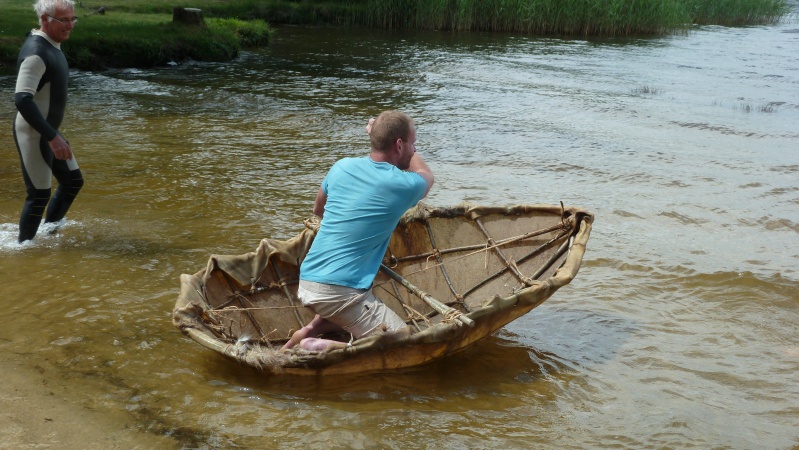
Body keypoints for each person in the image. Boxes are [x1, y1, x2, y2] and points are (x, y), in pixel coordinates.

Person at [282, 111, 435, 351]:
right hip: (339, 293)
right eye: (412, 143)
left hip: (308, 281)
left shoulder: (341, 167)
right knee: (404, 342)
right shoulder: (402, 185)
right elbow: (426, 175)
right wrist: (404, 146)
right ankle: (314, 345)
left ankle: (310, 329)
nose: (414, 150)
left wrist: (376, 134)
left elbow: (318, 209)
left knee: (347, 300)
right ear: (398, 145)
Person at [13, 0, 83, 243]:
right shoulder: (37, 52)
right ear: (44, 19)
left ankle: (47, 233)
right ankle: (23, 251)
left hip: (49, 131)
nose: (70, 25)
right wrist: (52, 137)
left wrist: (53, 134)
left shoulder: (52, 43)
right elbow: (22, 99)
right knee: (39, 195)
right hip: (34, 132)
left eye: (73, 19)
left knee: (72, 182)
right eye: (64, 20)